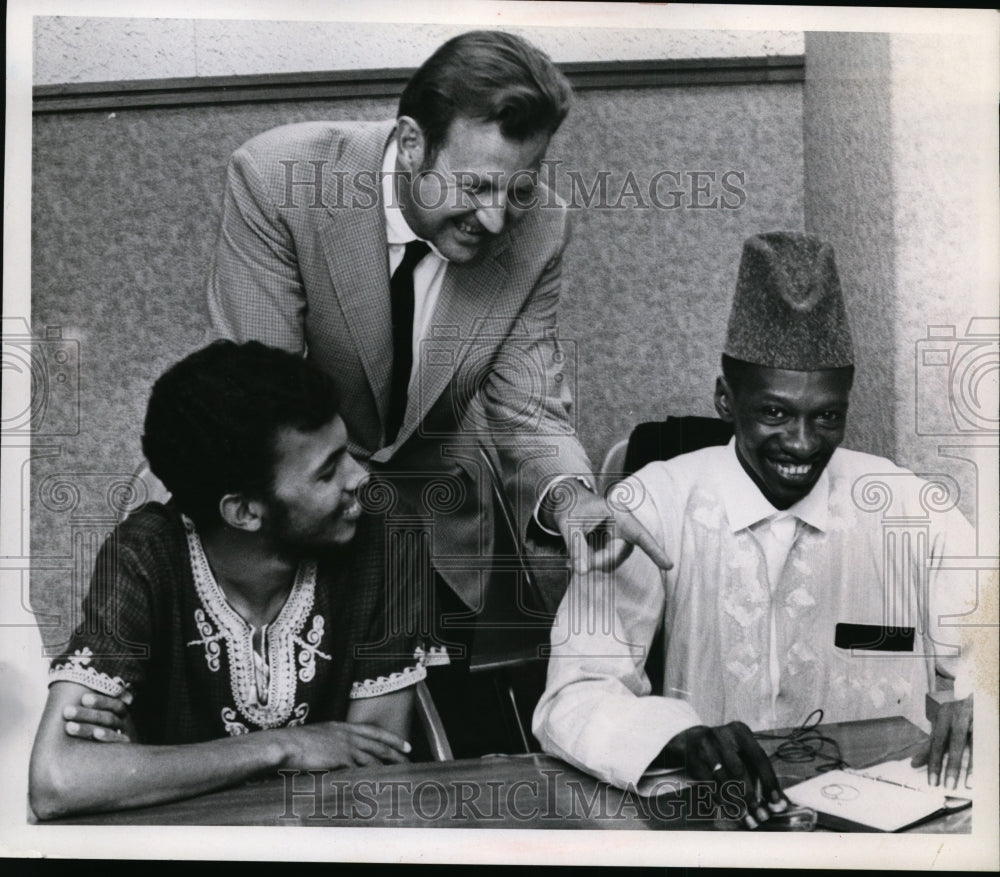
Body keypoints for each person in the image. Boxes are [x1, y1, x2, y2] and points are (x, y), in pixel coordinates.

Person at [205, 30, 669, 753]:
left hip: (442, 531)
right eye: (476, 186)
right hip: (297, 515)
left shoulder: (539, 225)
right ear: (413, 143)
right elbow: (264, 399)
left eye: (517, 188)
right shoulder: (280, 178)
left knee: (455, 772)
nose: (495, 219)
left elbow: (528, 403)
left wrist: (574, 498)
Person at [532, 232, 977, 826]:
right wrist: (678, 738)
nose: (801, 442)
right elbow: (575, 692)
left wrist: (981, 695)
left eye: (826, 416)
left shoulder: (908, 507)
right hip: (720, 824)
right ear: (725, 399)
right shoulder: (651, 503)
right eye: (774, 412)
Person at [30, 341, 426, 820]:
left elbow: (374, 772)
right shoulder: (146, 554)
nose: (359, 476)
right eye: (327, 472)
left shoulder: (385, 538)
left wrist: (147, 765)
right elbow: (58, 780)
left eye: (346, 451)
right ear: (243, 511)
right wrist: (284, 747)